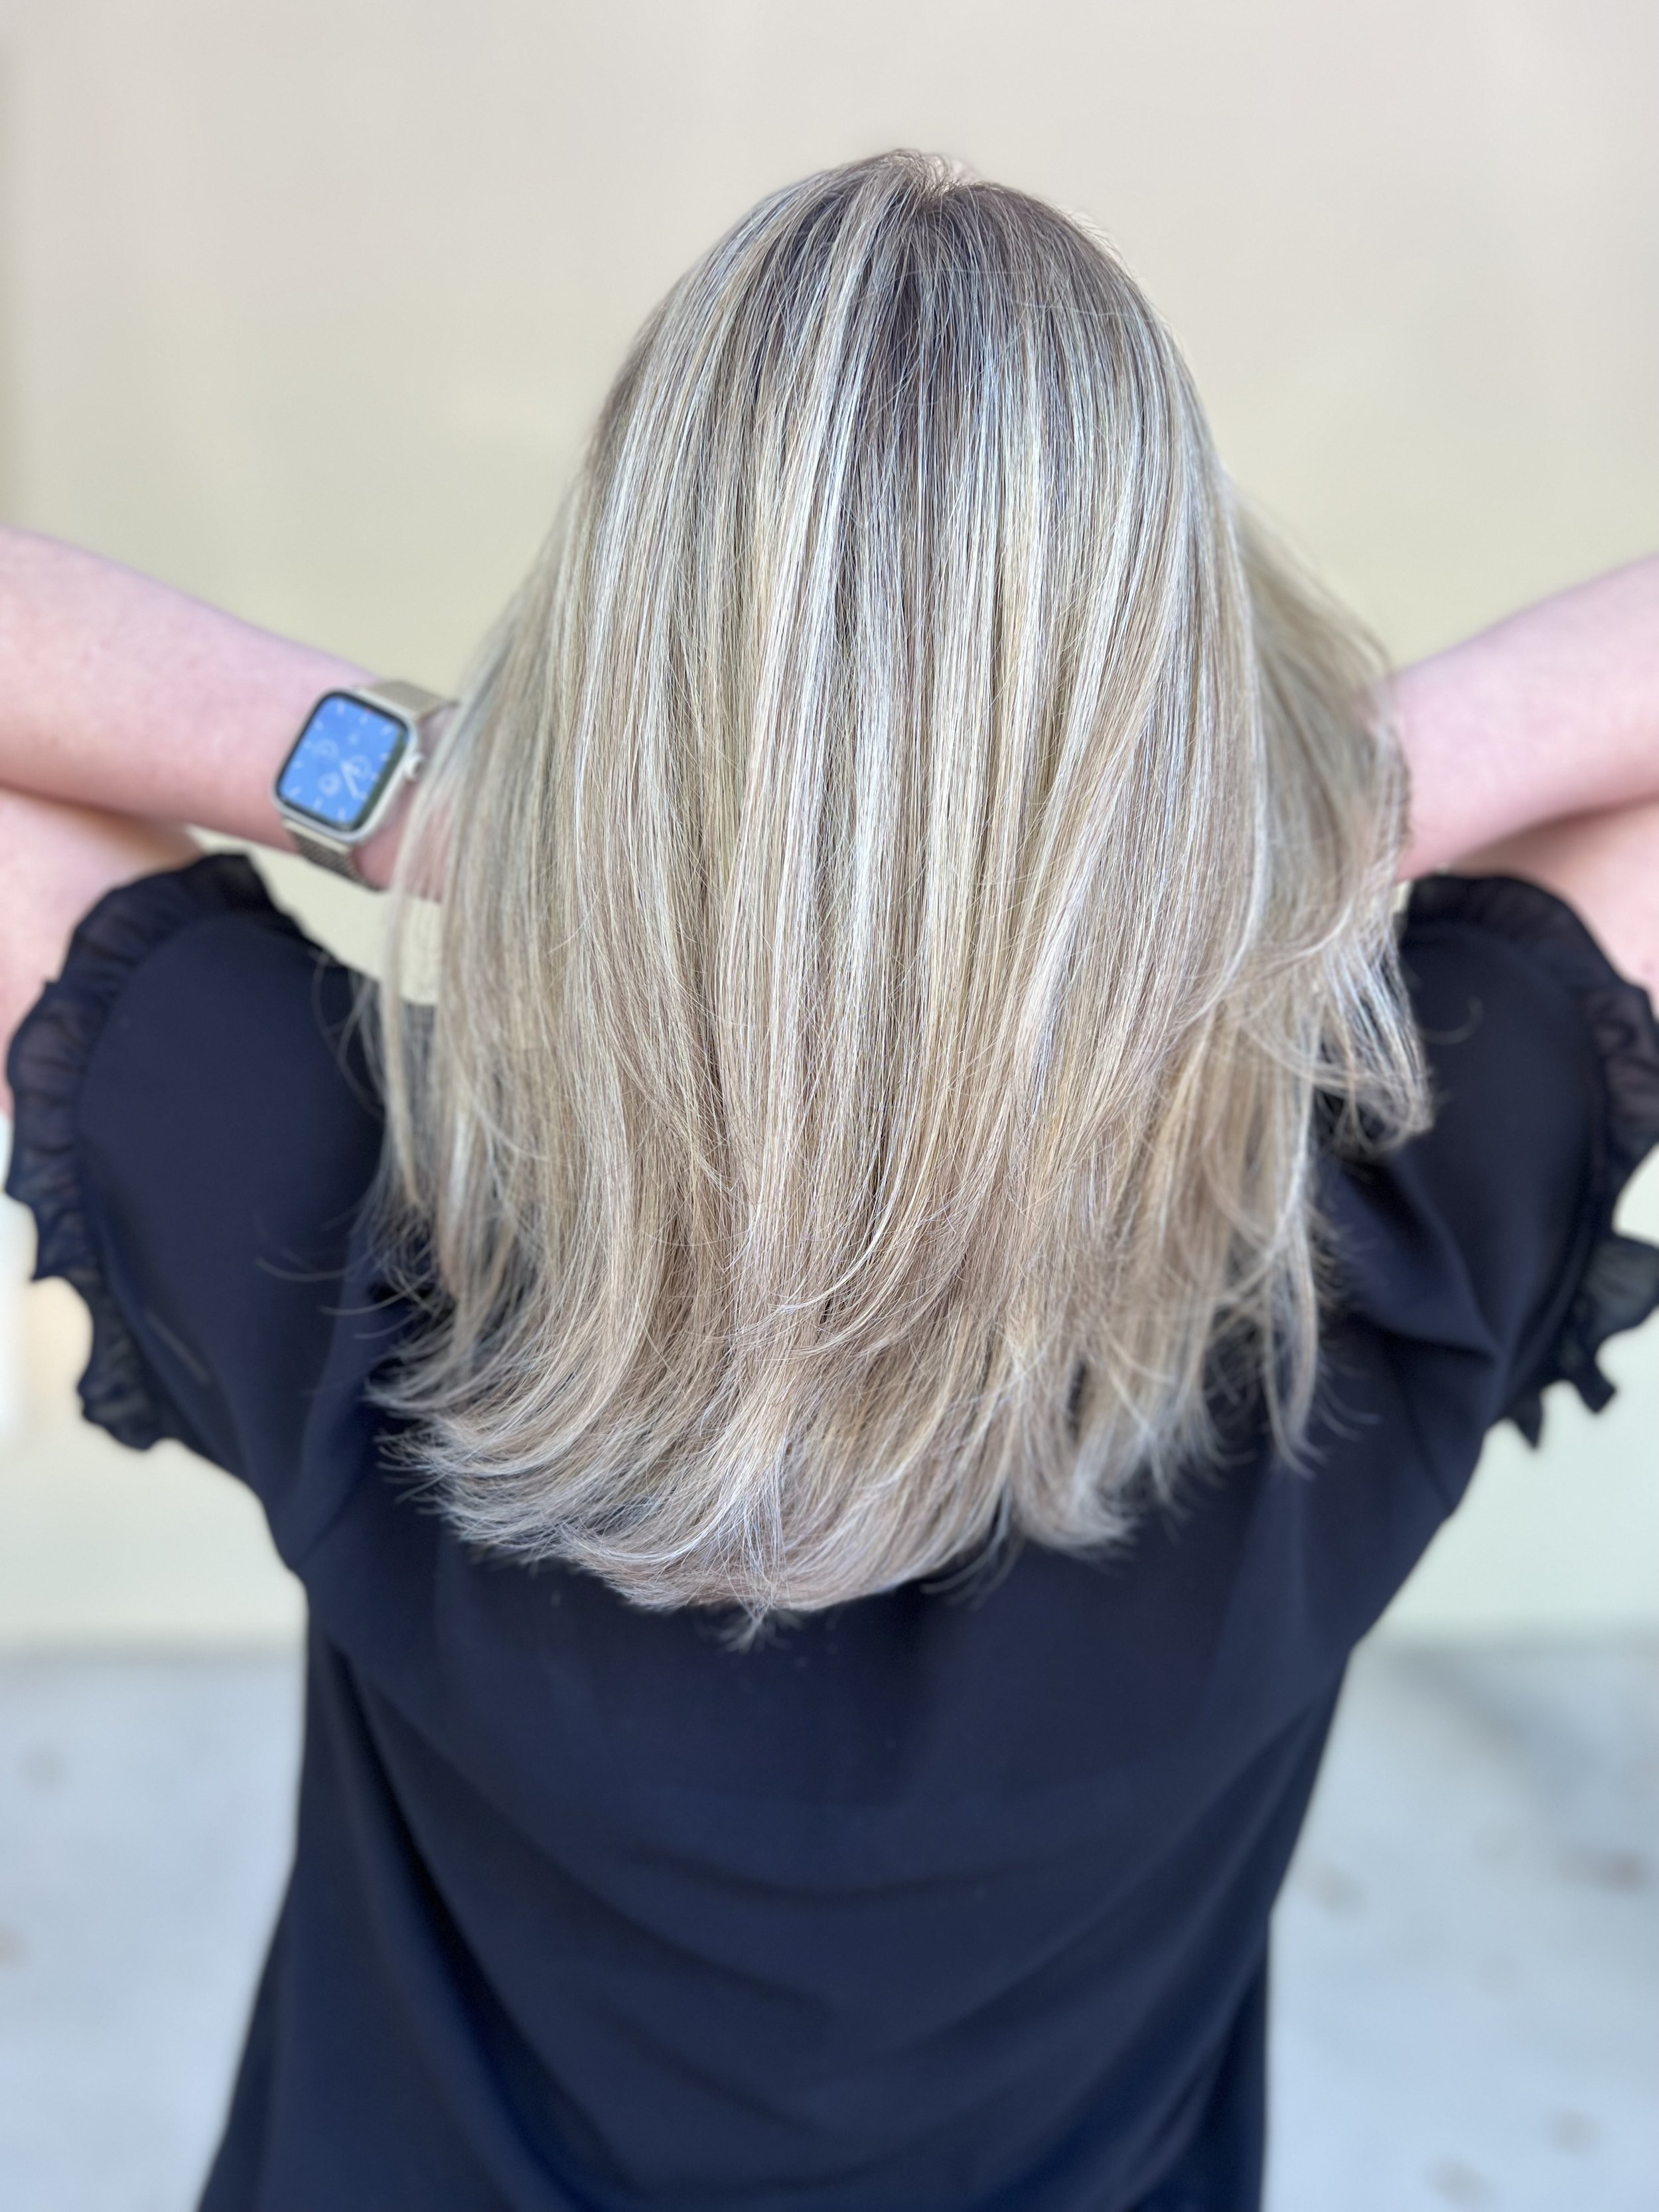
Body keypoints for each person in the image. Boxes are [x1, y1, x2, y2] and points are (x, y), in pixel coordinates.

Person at [1, 151, 1656, 2212]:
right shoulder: (1370, 1264)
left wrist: (447, 805)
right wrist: (1248, 835)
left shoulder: (343, 1227)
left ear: (622, 677)